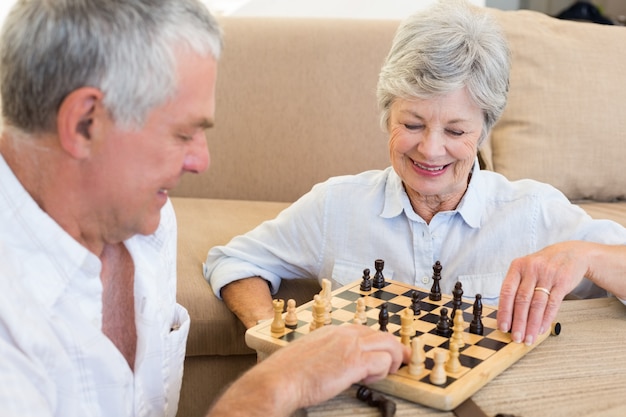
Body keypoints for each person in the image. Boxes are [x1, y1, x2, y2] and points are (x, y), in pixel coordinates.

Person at [0, 1, 408, 416]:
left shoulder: (148, 226)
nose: (201, 161)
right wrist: (275, 385)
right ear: (85, 122)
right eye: (183, 133)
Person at [205, 0, 626, 349]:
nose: (430, 149)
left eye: (456, 131)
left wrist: (586, 256)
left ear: (485, 130)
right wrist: (274, 338)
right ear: (387, 116)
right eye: (412, 125)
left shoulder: (534, 213)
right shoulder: (336, 206)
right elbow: (234, 260)